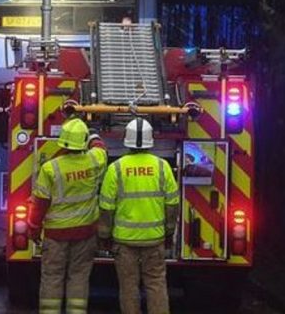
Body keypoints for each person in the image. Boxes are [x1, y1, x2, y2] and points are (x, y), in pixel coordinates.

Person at [98, 118, 179, 314]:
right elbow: (172, 204)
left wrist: (104, 236)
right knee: (156, 284)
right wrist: (169, 233)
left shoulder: (115, 168)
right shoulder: (162, 167)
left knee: (128, 287)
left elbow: (106, 207)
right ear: (151, 140)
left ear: (127, 139)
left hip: (124, 242)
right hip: (155, 239)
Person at [27, 118, 107, 314]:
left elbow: (40, 204)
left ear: (62, 141)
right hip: (85, 233)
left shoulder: (50, 168)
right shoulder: (95, 160)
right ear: (83, 141)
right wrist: (94, 134)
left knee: (52, 277)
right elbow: (100, 147)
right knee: (79, 277)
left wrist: (34, 229)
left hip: (55, 235)